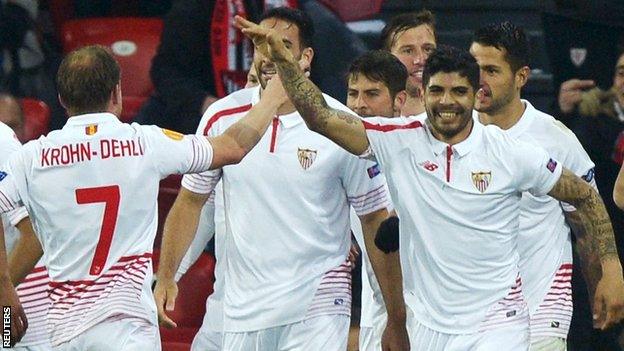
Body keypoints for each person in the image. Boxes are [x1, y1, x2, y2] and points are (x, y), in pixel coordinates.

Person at [236, 17, 624, 349]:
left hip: (499, 325)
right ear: (424, 91)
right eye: (437, 90)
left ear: (474, 95)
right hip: (428, 328)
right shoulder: (397, 139)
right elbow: (322, 117)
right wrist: (284, 61)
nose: (447, 101)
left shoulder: (513, 152)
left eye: (459, 91)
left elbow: (584, 197)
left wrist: (611, 266)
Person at [0, 44, 289, 350]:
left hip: (64, 333)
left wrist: (4, 287)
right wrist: (271, 97)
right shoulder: (145, 143)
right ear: (117, 93)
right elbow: (233, 147)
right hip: (127, 329)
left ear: (61, 100)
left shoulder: (31, 157)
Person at [154, 7, 390, 351]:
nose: (269, 56)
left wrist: (390, 310)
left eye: (281, 45)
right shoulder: (221, 117)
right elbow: (191, 201)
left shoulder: (341, 124)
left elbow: (372, 219)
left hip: (318, 307)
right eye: (261, 45)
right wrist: (167, 276)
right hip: (242, 310)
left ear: (306, 56)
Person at [470, 21, 624, 350]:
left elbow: (589, 211)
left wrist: (608, 274)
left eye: (492, 71)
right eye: (474, 68)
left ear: (522, 77)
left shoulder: (554, 139)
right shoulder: (450, 131)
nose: (479, 80)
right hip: (466, 312)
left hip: (540, 310)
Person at [345, 50, 406, 351]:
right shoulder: (339, 158)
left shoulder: (422, 150)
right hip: (378, 316)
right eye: (353, 94)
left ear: (399, 101)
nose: (359, 104)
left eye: (371, 94)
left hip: (437, 315)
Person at [380, 10, 436, 117]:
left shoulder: (469, 123)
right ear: (387, 57)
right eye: (408, 51)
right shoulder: (368, 124)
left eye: (428, 49)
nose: (420, 60)